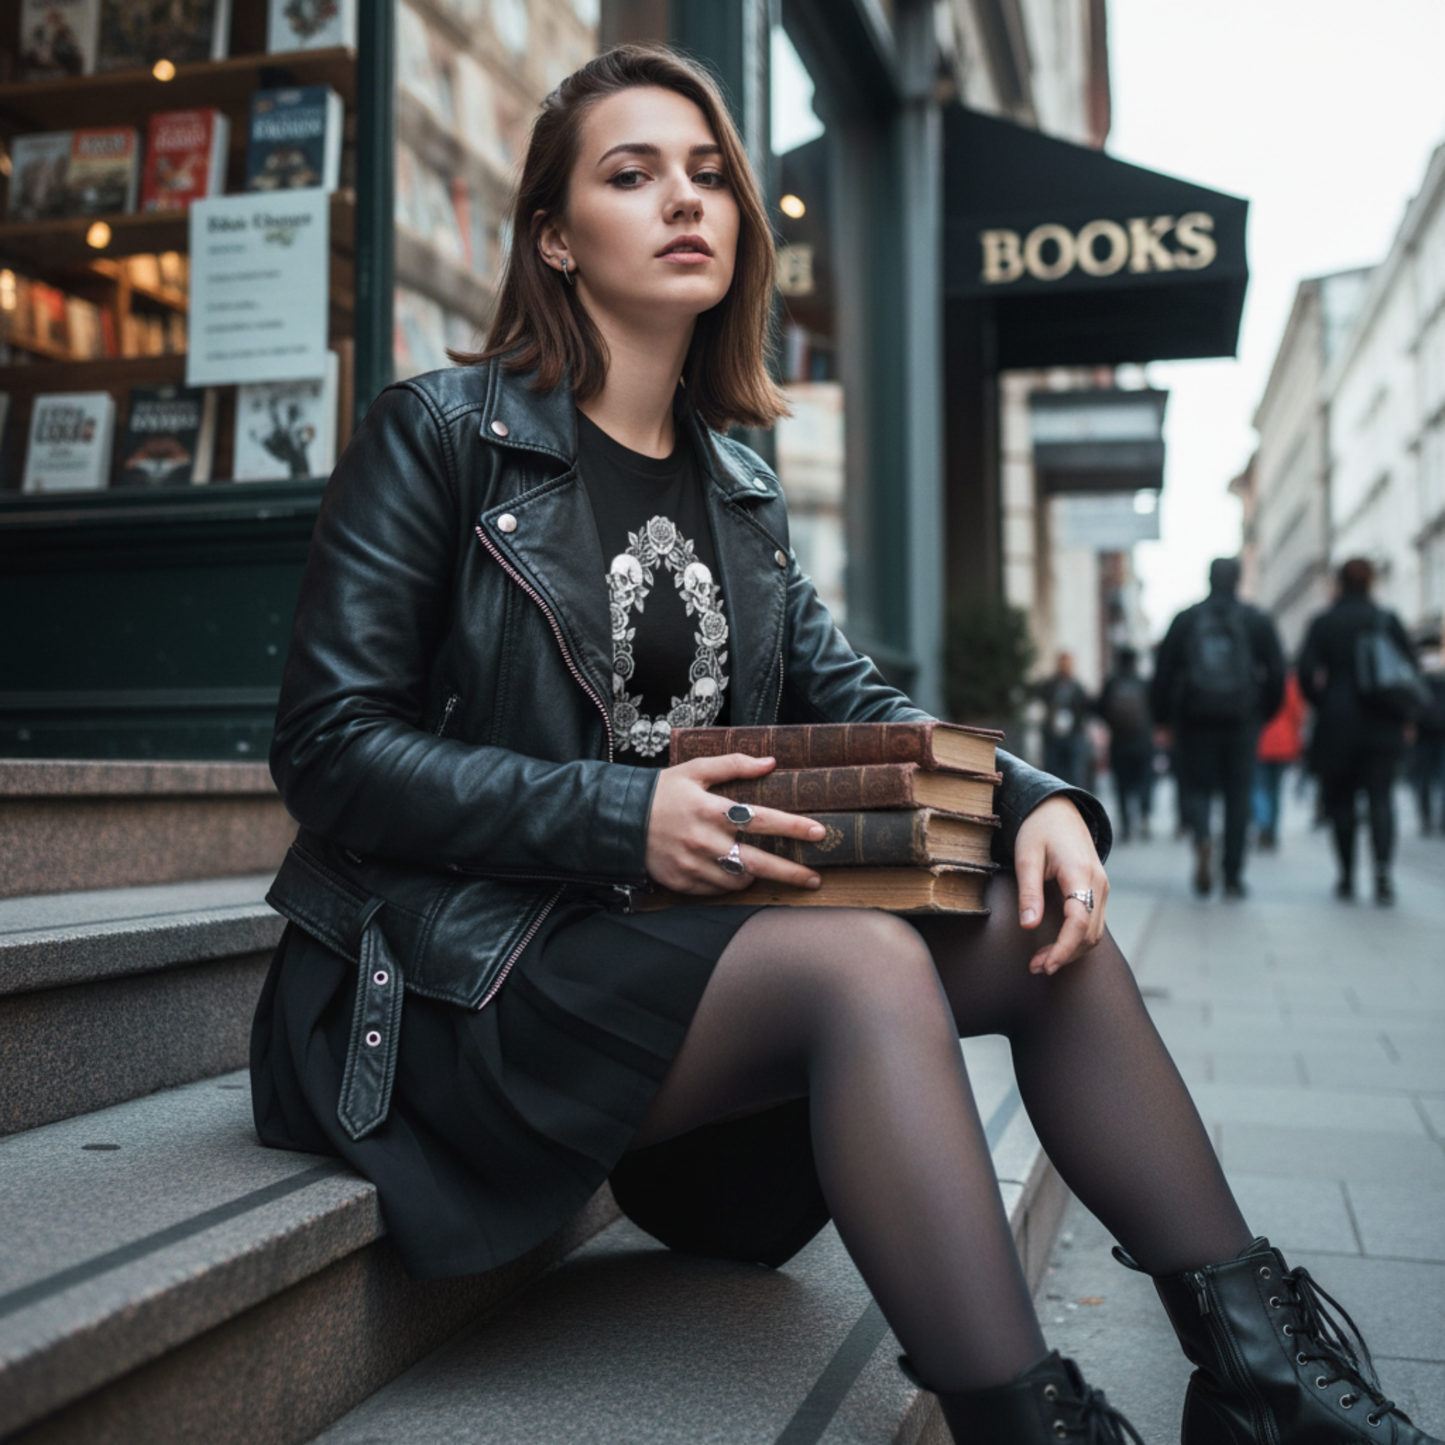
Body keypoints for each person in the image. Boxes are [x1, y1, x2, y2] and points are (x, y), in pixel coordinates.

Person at [250, 47, 1439, 1445]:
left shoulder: (734, 487)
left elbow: (856, 698)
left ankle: (1260, 1370)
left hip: (663, 961)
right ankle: (1024, 1426)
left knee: (1039, 919)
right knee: (859, 953)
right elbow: (329, 747)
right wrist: (616, 817)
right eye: (631, 176)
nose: (684, 200)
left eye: (708, 176)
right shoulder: (441, 439)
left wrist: (1033, 797)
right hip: (454, 983)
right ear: (557, 238)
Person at [1150, 558, 1285, 899]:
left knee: (1198, 788)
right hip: (1242, 720)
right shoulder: (1256, 621)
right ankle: (1233, 874)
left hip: (1196, 719)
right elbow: (1278, 676)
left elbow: (1163, 672)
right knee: (1238, 794)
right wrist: (1261, 714)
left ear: (1209, 579)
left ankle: (1202, 839)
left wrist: (1164, 719)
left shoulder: (1187, 619)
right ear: (1238, 579)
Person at [1299, 559, 1422, 903]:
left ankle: (1347, 875)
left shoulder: (1324, 622)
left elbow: (1306, 672)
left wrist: (1324, 700)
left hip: (1338, 722)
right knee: (1381, 799)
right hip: (1383, 721)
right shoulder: (1386, 620)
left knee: (1341, 801)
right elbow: (1408, 668)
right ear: (1371, 582)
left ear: (1339, 583)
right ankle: (1382, 871)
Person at [1096, 646, 1154, 843]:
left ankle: (1126, 825)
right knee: (1145, 780)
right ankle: (1145, 814)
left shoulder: (1112, 683)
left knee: (1121, 784)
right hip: (1143, 740)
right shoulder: (1143, 683)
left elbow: (1100, 709)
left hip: (1119, 741)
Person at [1253, 671, 1306, 850]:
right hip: (1284, 744)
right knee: (1275, 790)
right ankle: (1272, 829)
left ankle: (1263, 824)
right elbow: (1298, 714)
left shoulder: (1256, 681)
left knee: (1259, 788)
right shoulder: (1290, 685)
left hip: (1260, 743)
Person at [1037, 651, 1093, 789]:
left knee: (1074, 774)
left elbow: (1085, 708)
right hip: (1053, 736)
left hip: (1073, 735)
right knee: (1053, 773)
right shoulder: (1050, 685)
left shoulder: (1078, 687)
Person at [1410, 638, 1445, 835]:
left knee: (1433, 778)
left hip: (1435, 734)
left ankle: (1434, 820)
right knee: (1423, 779)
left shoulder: (1419, 678)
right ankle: (1427, 819)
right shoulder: (1416, 678)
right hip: (1424, 735)